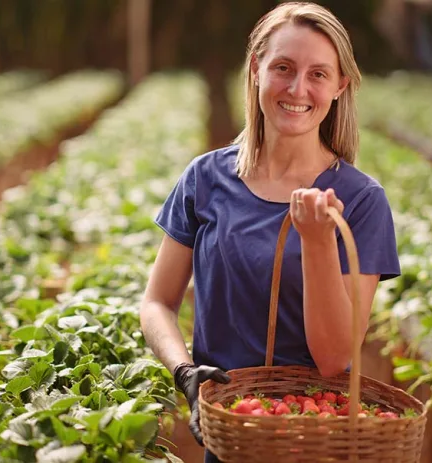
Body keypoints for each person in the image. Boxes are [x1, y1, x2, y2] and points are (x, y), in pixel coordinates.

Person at [139, 2, 401, 462]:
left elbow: (334, 358)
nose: (298, 88)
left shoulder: (359, 202)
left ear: (340, 86)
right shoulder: (205, 178)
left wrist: (318, 240)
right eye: (283, 67)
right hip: (229, 430)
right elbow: (157, 302)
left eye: (318, 74)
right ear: (256, 69)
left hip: (312, 436)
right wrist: (184, 371)